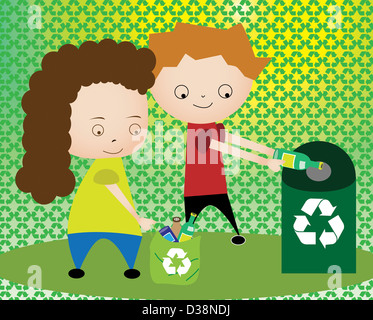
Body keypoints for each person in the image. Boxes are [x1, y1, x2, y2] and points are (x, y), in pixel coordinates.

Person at [16, 39, 156, 279]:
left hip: (89, 218)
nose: (115, 140)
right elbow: (114, 191)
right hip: (106, 218)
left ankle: (87, 266)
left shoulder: (112, 163)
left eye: (134, 125)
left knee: (93, 238)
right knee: (121, 238)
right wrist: (137, 217)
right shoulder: (107, 167)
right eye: (98, 130)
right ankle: (115, 267)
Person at [149, 23, 284, 245]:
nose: (203, 98)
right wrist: (264, 160)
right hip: (196, 186)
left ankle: (233, 234)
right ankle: (185, 239)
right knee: (191, 219)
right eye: (182, 92)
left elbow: (232, 139)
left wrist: (270, 152)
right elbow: (224, 147)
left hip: (216, 184)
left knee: (223, 214)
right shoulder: (196, 131)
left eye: (225, 91)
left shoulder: (213, 126)